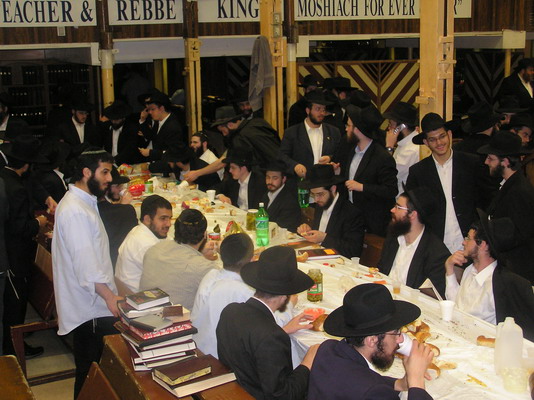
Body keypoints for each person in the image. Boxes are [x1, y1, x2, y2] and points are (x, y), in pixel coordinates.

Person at [52, 148, 121, 398]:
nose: (109, 178)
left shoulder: (83, 202)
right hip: (91, 306)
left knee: (91, 371)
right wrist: (110, 297)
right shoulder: (75, 210)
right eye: (105, 172)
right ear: (86, 172)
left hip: (92, 302)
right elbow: (86, 265)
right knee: (92, 373)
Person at [216, 246, 320, 400]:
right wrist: (307, 363)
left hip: (236, 389)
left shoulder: (230, 311)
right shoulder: (271, 336)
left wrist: (282, 331)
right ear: (285, 296)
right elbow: (283, 395)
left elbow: (253, 343)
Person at [308, 283, 434, 400]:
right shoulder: (373, 393)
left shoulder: (328, 348)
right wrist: (416, 380)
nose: (400, 339)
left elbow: (361, 378)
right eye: (396, 332)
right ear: (372, 340)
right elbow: (369, 387)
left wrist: (399, 384)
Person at [445, 210, 534, 340]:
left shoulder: (497, 284)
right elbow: (455, 306)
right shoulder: (470, 270)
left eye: (468, 238)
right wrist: (449, 268)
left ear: (482, 245)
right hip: (459, 335)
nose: (464, 242)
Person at [0, 135, 48, 358]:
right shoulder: (16, 188)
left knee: (11, 302)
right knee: (15, 302)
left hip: (7, 252)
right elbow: (19, 228)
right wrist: (39, 222)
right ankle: (14, 347)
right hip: (15, 255)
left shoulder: (4, 177)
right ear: (26, 165)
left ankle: (13, 339)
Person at [406, 113, 481, 253]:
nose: (439, 143)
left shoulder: (471, 163)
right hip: (435, 245)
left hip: (469, 243)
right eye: (433, 139)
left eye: (442, 136)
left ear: (449, 135)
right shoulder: (418, 172)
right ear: (426, 142)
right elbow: (415, 210)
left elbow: (483, 201)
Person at [478, 131, 534, 283]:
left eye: (491, 158)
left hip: (517, 273)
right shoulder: (510, 185)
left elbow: (521, 236)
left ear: (506, 161)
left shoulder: (519, 191)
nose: (486, 162)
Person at [378, 186, 450, 297]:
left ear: (412, 215)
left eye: (398, 207)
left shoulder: (436, 252)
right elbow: (381, 271)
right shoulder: (393, 237)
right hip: (384, 295)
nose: (392, 210)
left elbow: (430, 297)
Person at [140, 209, 217, 310]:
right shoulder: (204, 268)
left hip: (143, 313)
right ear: (204, 235)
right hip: (176, 318)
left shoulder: (155, 249)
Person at [340, 104, 398, 236]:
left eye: (349, 125)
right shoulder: (352, 151)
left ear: (358, 130)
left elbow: (390, 190)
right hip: (354, 219)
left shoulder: (382, 157)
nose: (346, 129)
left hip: (374, 223)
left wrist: (362, 187)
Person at [183, 106, 280, 183]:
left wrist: (197, 173)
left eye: (223, 131)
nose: (224, 135)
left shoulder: (240, 137)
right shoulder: (257, 122)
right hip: (278, 174)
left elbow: (222, 162)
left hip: (267, 179)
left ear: (230, 125)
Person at [297, 164, 364, 258]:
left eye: (320, 194)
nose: (316, 200)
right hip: (318, 255)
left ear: (333, 189)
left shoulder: (351, 213)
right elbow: (319, 233)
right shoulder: (321, 204)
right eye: (313, 194)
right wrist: (309, 231)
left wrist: (324, 238)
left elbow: (354, 250)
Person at [115, 195, 172, 293]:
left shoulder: (140, 230)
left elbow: (170, 242)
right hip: (139, 297)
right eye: (163, 218)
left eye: (170, 218)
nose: (169, 224)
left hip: (139, 291)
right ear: (147, 219)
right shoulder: (147, 245)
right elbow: (169, 276)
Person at [279, 89, 341, 178]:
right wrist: (295, 166)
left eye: (323, 110)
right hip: (300, 181)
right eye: (318, 109)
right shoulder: (292, 132)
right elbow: (282, 156)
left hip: (325, 181)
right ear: (308, 111)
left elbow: (340, 154)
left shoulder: (333, 132)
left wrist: (330, 158)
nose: (322, 113)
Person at [97, 167, 137, 268]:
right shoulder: (125, 211)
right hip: (117, 265)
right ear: (106, 187)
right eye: (117, 186)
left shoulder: (99, 204)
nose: (120, 189)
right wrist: (124, 207)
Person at [138, 92, 187, 173]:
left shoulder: (172, 126)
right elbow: (152, 137)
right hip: (159, 165)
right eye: (149, 110)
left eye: (152, 109)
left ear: (161, 108)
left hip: (170, 169)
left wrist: (150, 152)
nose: (150, 112)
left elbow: (174, 152)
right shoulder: (158, 122)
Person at [383, 102, 420, 194]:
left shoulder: (410, 150)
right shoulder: (405, 143)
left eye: (391, 125)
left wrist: (389, 147)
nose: (389, 128)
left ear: (402, 126)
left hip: (402, 198)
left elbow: (386, 174)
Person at [260, 160, 301, 232]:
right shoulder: (266, 194)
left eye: (275, 178)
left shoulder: (289, 201)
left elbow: (282, 228)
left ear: (283, 179)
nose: (270, 182)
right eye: (268, 177)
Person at [99, 100, 143, 166]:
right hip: (109, 163)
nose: (114, 122)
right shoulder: (106, 127)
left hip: (127, 164)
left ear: (123, 118)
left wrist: (114, 161)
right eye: (112, 119)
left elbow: (129, 149)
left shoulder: (131, 128)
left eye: (117, 119)